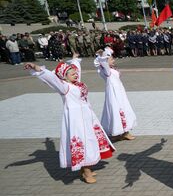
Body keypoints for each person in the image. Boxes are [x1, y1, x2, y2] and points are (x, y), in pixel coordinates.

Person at [24, 54, 114, 184]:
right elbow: (51, 78)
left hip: (87, 116)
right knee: (83, 142)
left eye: (75, 73)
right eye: (72, 74)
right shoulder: (65, 87)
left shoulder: (76, 84)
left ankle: (84, 169)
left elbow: (76, 69)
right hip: (76, 119)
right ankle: (86, 171)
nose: (76, 75)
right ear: (64, 77)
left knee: (90, 140)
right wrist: (36, 67)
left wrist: (75, 60)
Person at [95, 47, 137, 141]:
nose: (113, 60)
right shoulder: (106, 71)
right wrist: (102, 56)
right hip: (114, 93)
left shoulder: (109, 69)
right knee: (117, 109)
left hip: (119, 92)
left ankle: (122, 132)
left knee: (122, 108)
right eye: (111, 59)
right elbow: (103, 62)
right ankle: (122, 132)